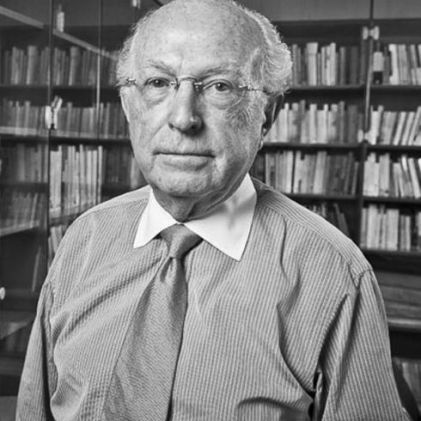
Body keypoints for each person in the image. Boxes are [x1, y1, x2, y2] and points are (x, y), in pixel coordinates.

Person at [16, 0, 411, 420]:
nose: (183, 118)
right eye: (158, 82)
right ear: (129, 106)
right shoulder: (85, 238)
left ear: (267, 115)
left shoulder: (334, 274)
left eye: (220, 86)